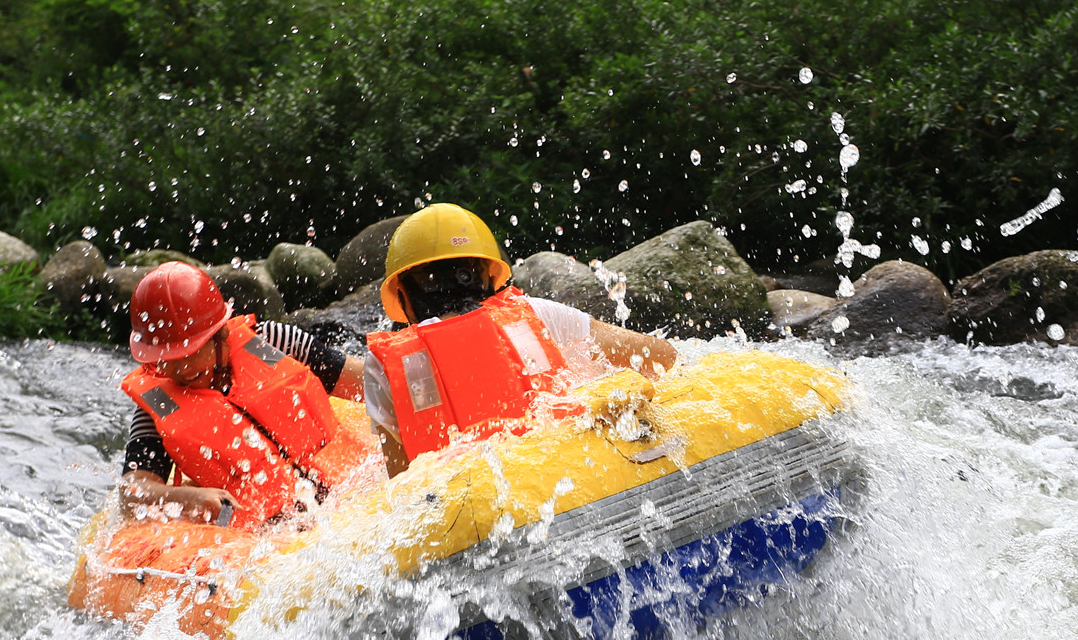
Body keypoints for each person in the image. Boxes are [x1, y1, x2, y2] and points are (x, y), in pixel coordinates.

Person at [362, 204, 677, 476]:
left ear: (402, 296)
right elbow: (663, 358)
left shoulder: (381, 365)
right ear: (488, 274)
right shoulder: (536, 314)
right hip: (566, 477)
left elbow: (401, 484)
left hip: (465, 517)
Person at [117, 261, 374, 529]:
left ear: (220, 332)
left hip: (352, 493)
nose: (180, 368)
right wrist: (188, 498)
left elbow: (368, 383)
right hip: (268, 536)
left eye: (191, 352)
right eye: (165, 359)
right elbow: (131, 495)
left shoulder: (271, 341)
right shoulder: (159, 403)